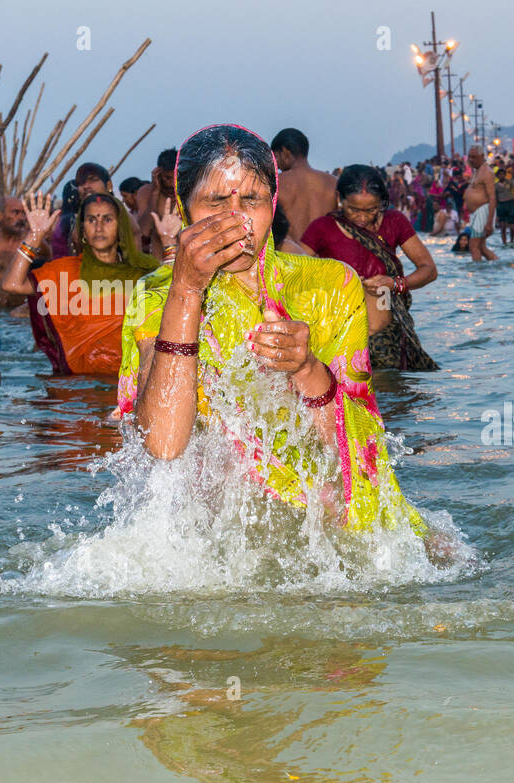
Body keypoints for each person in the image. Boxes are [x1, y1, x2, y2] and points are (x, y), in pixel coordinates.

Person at [117, 123, 427, 534]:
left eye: (252, 199)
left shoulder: (329, 285)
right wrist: (188, 289)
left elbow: (355, 451)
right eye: (214, 201)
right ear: (184, 207)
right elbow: (163, 444)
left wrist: (307, 370)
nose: (236, 219)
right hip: (224, 530)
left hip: (330, 522)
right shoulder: (157, 293)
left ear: (273, 201)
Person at [2, 191, 161, 375]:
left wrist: (170, 243)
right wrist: (35, 235)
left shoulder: (142, 273)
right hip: (74, 390)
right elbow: (11, 285)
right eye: (91, 220)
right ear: (83, 230)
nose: (99, 227)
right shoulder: (64, 272)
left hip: (127, 387)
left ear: (120, 229)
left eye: (107, 220)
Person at [299, 164, 439, 372]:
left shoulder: (394, 222)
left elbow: (429, 269)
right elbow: (294, 274)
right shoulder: (322, 228)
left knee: (394, 398)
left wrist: (395, 283)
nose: (362, 217)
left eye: (371, 210)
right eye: (354, 210)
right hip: (340, 341)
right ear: (340, 198)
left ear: (382, 203)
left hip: (386, 339)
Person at [270, 128, 336, 243]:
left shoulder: (277, 183)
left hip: (290, 256)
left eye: (276, 156)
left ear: (285, 152)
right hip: (325, 259)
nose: (277, 165)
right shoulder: (333, 182)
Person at [0, 196, 33, 311]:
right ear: (0, 216)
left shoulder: (33, 242)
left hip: (21, 317)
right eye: (15, 212)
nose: (21, 218)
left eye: (23, 213)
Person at [462, 146, 498, 262]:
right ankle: (497, 264)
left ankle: (477, 273)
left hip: (483, 210)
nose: (471, 159)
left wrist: (489, 222)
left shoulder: (487, 172)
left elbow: (492, 198)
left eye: (474, 157)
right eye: (470, 157)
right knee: (481, 247)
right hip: (477, 213)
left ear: (482, 157)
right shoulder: (477, 171)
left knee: (473, 245)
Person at [494, 166, 514, 245]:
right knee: (503, 227)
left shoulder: (510, 182)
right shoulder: (496, 185)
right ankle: (504, 242)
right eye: (500, 174)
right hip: (501, 205)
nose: (501, 176)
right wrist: (496, 206)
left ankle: (512, 240)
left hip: (510, 204)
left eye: (503, 174)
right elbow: (495, 196)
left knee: (512, 226)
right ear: (497, 176)